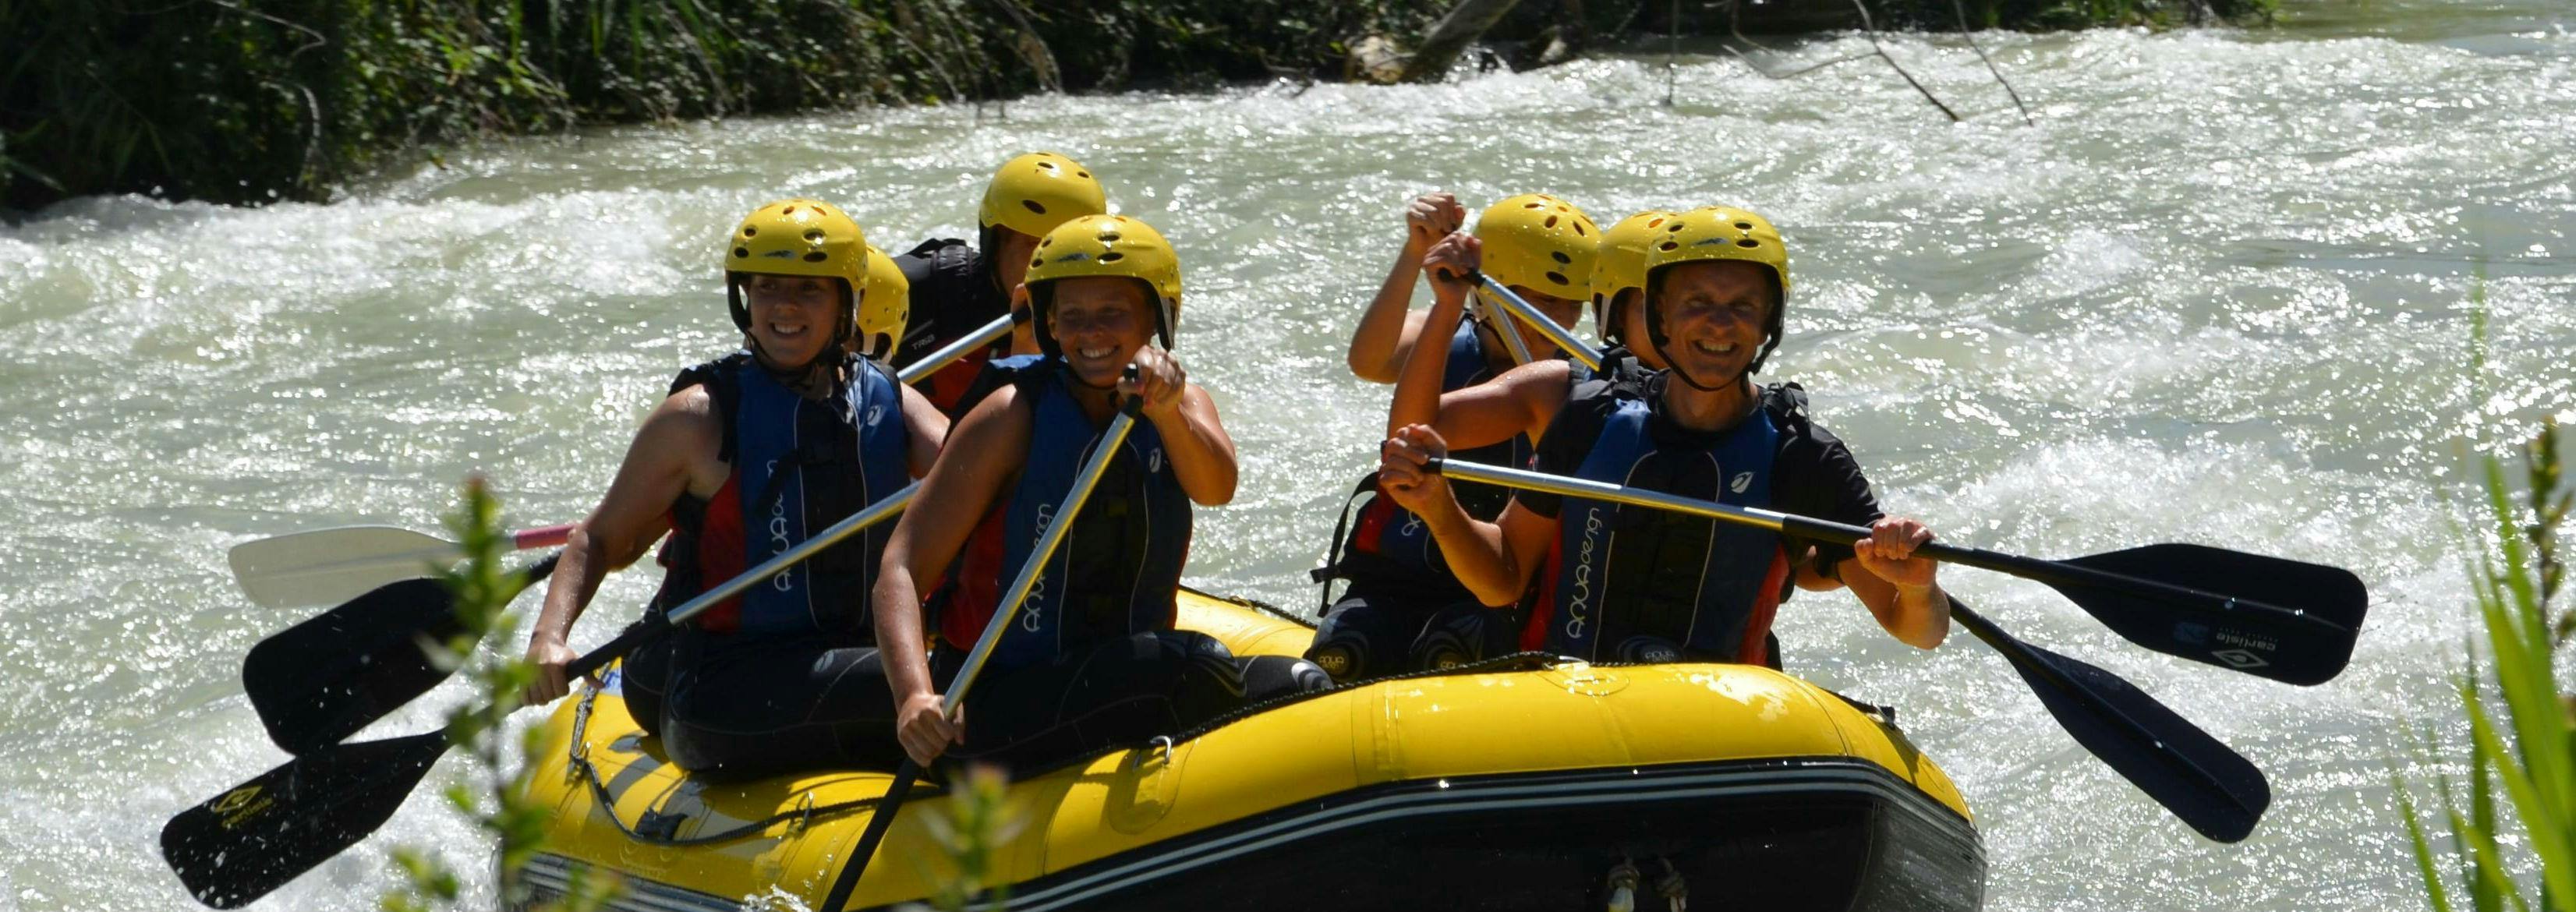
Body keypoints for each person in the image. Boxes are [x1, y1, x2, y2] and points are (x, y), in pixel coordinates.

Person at [1374, 207, 1951, 667]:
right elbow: (1502, 580)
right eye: (1696, 303)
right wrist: (1438, 507)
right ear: (1661, 319)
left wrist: (1920, 587)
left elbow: (1917, 631)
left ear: (1767, 324)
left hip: (1712, 717)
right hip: (1560, 697)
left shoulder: (1805, 455)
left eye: (1742, 307)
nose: (1719, 324)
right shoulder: (1590, 416)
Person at [872, 214, 1325, 771]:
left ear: (1155, 317)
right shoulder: (1009, 417)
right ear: (1050, 326)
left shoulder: (1182, 404)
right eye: (1073, 316)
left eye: (1113, 312)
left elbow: (1216, 488)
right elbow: (903, 566)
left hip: (1121, 671)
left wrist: (1166, 414)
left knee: (1303, 683)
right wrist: (915, 695)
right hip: (1000, 696)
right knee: (1191, 668)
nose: (1092, 333)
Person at [522, 199, 948, 777]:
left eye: (809, 291)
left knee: (956, 669)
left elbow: (978, 469)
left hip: (843, 655)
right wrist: (550, 639)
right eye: (767, 288)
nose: (784, 307)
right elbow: (599, 540)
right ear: (744, 298)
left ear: (847, 302)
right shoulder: (697, 419)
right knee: (940, 688)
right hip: (726, 690)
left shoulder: (885, 397)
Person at [1305, 194, 1601, 682]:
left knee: (1452, 649)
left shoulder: (1572, 386)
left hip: (1492, 581)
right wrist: (1417, 255)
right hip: (1397, 575)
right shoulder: (1441, 330)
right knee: (1347, 651)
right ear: (1490, 291)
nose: (1562, 320)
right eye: (1542, 301)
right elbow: (1368, 361)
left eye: (1571, 305)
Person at [892, 152, 1109, 413]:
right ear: (996, 244)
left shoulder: (1100, 326)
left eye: (1068, 255)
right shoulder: (916, 290)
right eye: (1035, 246)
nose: (1050, 267)